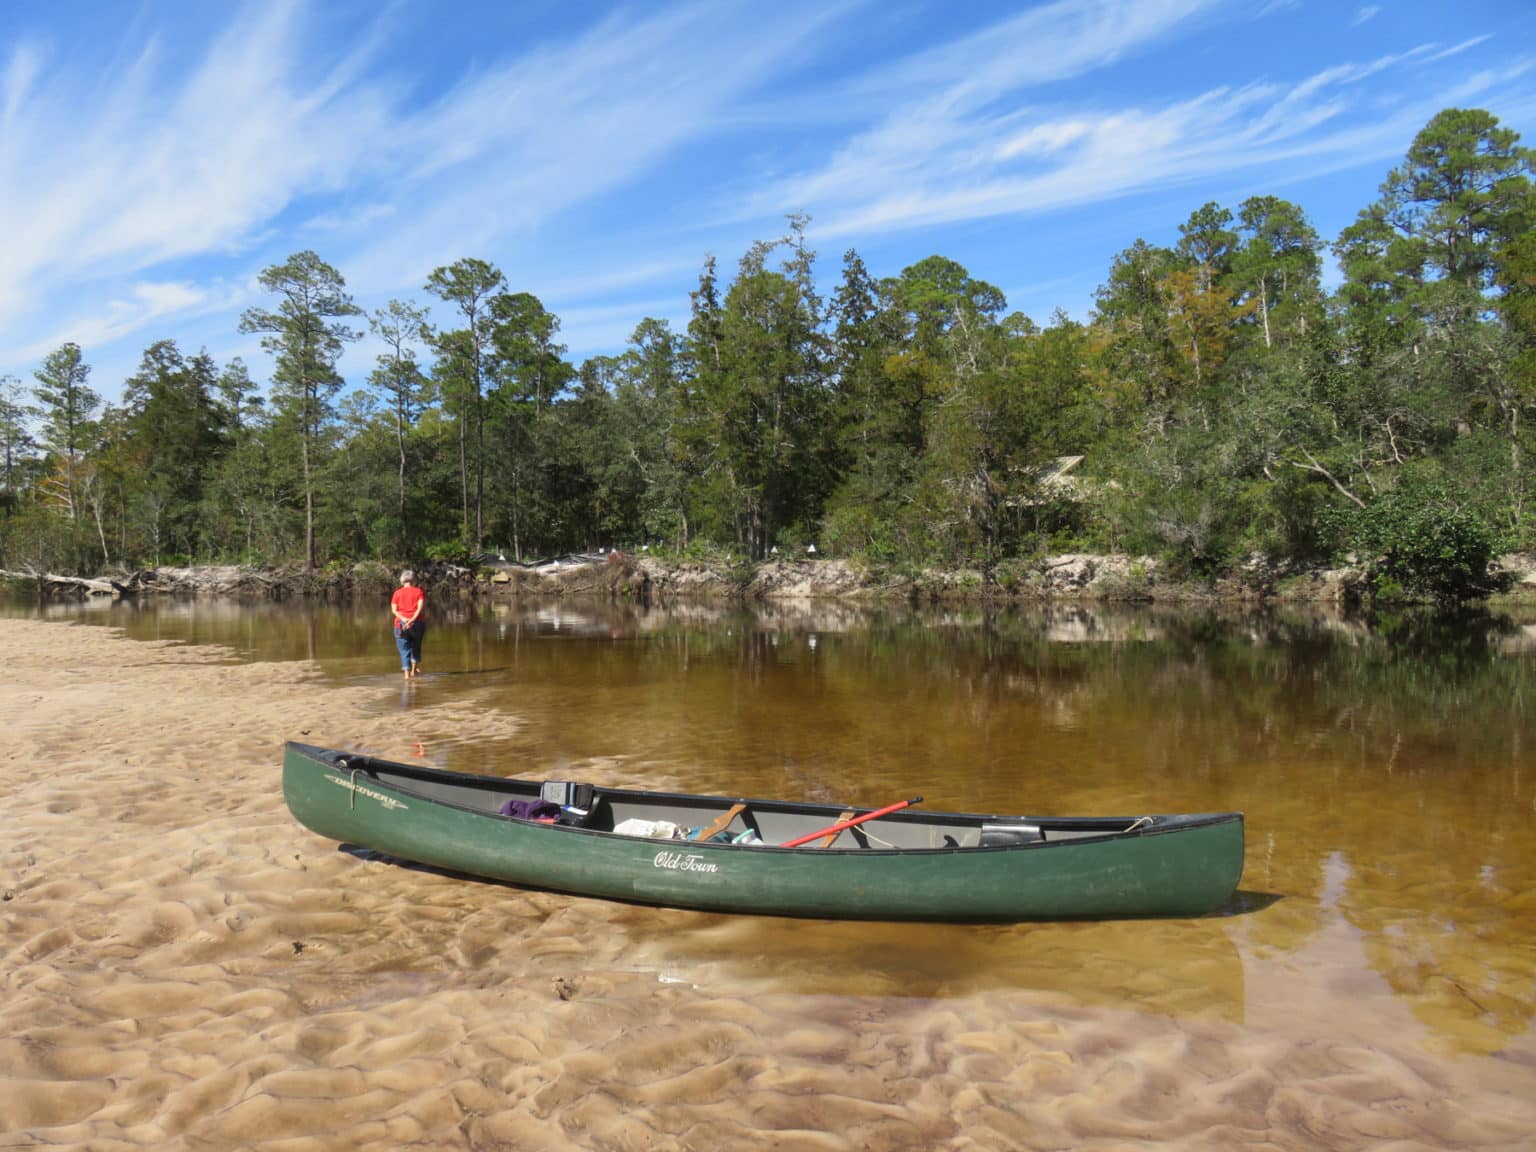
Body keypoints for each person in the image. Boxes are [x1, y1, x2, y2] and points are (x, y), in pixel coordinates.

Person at [390, 569, 426, 678]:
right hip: (417, 623)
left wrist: (405, 620)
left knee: (404, 650)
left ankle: (406, 675)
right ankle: (413, 671)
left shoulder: (397, 593)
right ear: (413, 580)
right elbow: (420, 608)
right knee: (416, 646)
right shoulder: (418, 591)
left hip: (400, 624)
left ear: (402, 580)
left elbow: (394, 610)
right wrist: (412, 619)